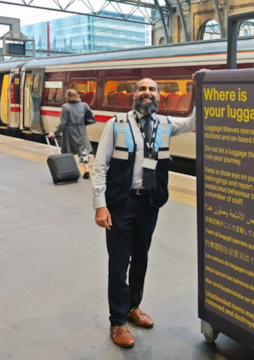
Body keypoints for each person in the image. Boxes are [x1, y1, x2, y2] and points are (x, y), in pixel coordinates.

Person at [91, 74, 202, 348]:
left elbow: (194, 122)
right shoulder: (116, 124)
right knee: (119, 264)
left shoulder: (165, 124)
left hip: (149, 203)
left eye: (152, 89)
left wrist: (200, 88)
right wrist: (100, 205)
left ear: (158, 95)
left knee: (141, 258)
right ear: (134, 94)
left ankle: (132, 307)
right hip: (120, 205)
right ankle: (117, 322)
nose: (147, 93)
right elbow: (100, 167)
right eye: (142, 89)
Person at [48, 89, 93, 179]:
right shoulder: (84, 105)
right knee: (83, 151)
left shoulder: (66, 107)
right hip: (81, 131)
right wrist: (83, 125)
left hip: (69, 132)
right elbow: (91, 118)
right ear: (77, 96)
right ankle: (86, 170)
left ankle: (70, 170)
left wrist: (55, 133)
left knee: (68, 152)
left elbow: (63, 123)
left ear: (67, 97)